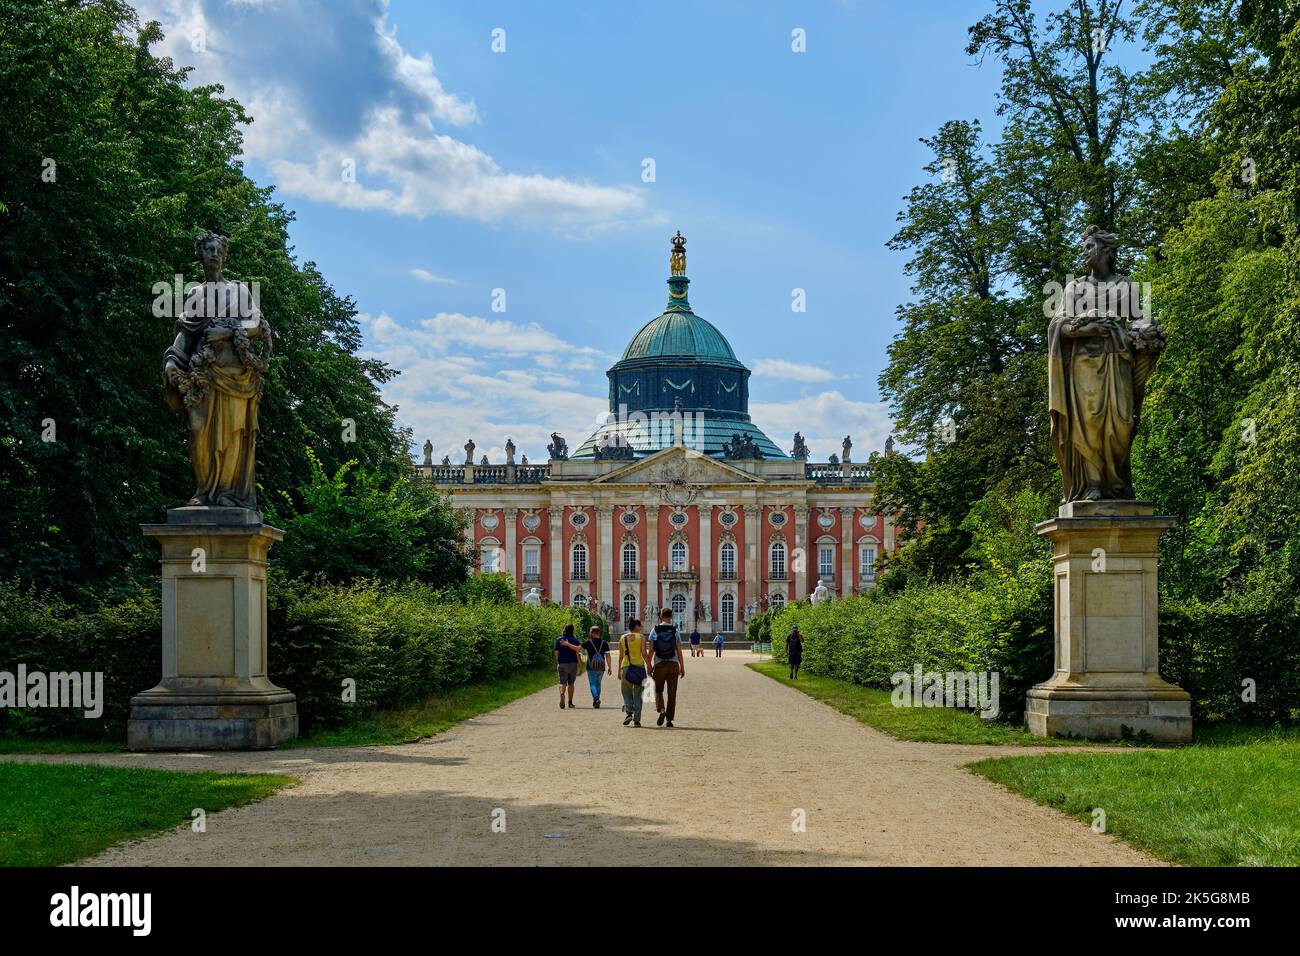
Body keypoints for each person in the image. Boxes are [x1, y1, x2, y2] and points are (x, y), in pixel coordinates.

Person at [650, 608, 685, 727]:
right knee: (672, 693)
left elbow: (651, 650)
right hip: (673, 664)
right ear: (671, 617)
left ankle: (662, 709)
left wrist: (649, 665)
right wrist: (682, 666)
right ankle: (669, 720)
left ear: (660, 616)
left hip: (659, 664)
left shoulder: (655, 630)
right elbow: (679, 651)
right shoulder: (675, 631)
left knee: (657, 689)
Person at [617, 618, 650, 727]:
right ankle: (637, 720)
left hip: (626, 667)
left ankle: (629, 712)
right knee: (638, 694)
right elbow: (644, 654)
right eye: (640, 626)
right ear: (636, 626)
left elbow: (621, 656)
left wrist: (618, 670)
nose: (641, 628)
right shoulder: (641, 637)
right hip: (639, 668)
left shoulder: (622, 638)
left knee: (626, 692)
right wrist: (649, 665)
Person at [581, 625, 611, 708]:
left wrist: (568, 644)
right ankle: (596, 701)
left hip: (591, 667)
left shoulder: (588, 642)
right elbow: (608, 656)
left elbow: (579, 649)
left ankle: (596, 699)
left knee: (592, 684)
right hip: (601, 667)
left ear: (592, 633)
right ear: (599, 633)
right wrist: (610, 667)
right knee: (598, 684)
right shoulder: (604, 643)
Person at [555, 624, 582, 709]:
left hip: (562, 663)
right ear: (573, 630)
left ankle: (562, 693)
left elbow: (556, 652)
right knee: (571, 683)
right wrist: (580, 664)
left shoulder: (559, 640)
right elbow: (578, 652)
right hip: (573, 664)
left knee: (562, 682)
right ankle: (570, 703)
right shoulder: (575, 640)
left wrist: (558, 661)